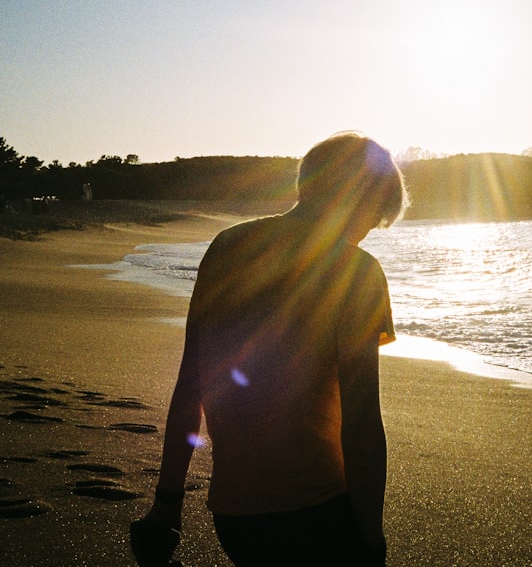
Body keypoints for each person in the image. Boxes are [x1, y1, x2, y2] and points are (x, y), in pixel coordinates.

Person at [132, 133, 408, 566]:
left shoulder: (226, 247)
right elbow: (362, 423)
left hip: (235, 515)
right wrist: (371, 538)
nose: (365, 236)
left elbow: (192, 386)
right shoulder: (357, 274)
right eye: (373, 220)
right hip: (319, 511)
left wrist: (167, 501)